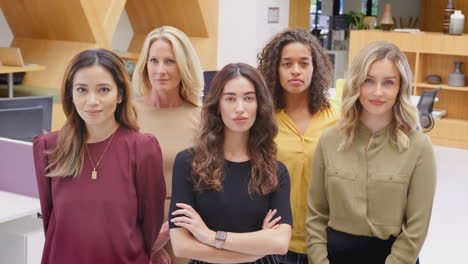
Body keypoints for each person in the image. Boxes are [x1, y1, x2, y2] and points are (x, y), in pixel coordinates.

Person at [306, 41, 436, 264]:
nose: (378, 92)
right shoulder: (329, 140)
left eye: (388, 83)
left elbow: (417, 227)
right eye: (368, 81)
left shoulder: (419, 146)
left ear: (400, 88)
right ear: (356, 84)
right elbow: (316, 215)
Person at [33, 49, 166, 264]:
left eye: (103, 90)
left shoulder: (142, 148)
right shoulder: (48, 147)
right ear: (71, 94)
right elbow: (50, 221)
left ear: (120, 94)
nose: (92, 101)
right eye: (82, 90)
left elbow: (150, 224)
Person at [168, 63, 292, 264]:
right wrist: (256, 248)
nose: (240, 108)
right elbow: (182, 246)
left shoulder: (276, 171)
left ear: (259, 105)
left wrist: (210, 236)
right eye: (230, 98)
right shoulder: (188, 163)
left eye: (249, 98)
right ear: (218, 105)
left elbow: (279, 243)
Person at [257, 28, 339, 263]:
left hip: (325, 240)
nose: (296, 71)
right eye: (287, 64)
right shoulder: (262, 118)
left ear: (315, 68)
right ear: (275, 68)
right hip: (272, 239)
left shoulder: (338, 118)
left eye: (304, 63)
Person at [132, 26, 204, 263]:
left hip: (186, 231)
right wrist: (145, 241)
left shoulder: (203, 117)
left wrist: (167, 231)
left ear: (184, 66)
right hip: (132, 232)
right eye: (154, 60)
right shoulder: (127, 113)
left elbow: (210, 185)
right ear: (145, 65)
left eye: (170, 61)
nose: (160, 70)